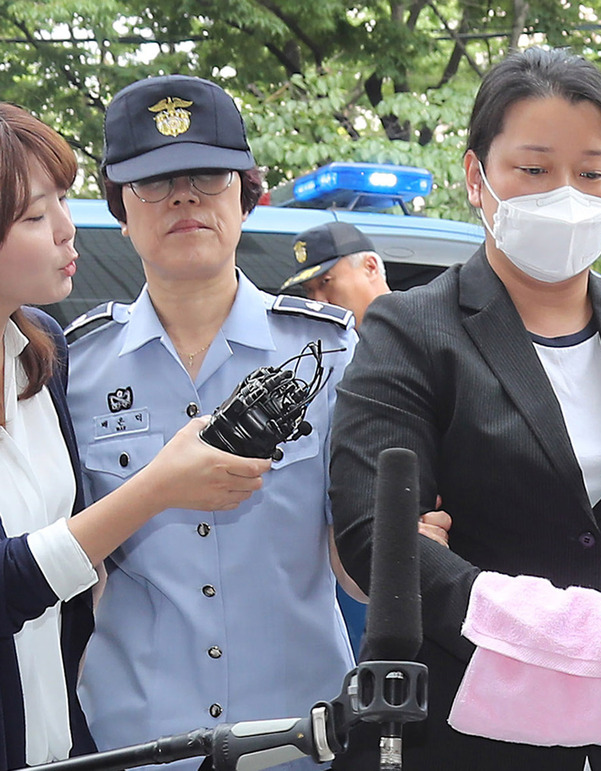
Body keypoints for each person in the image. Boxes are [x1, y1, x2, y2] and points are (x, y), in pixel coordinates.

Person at [329, 47, 601, 771]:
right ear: (477, 178)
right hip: (468, 726)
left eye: (592, 172)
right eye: (533, 169)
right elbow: (379, 534)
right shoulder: (412, 330)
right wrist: (559, 639)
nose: (567, 193)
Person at [63, 75, 364, 771]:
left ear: (246, 195)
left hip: (303, 738)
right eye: (154, 182)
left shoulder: (330, 353)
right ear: (120, 209)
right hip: (129, 742)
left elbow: (359, 568)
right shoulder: (74, 370)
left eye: (207, 175)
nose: (185, 197)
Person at [0, 103, 270, 771]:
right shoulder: (83, 361)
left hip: (66, 740)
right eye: (37, 215)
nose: (67, 229)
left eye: (62, 201)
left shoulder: (39, 357)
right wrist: (156, 488)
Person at [280, 222, 390, 326]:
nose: (318, 301)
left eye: (325, 282)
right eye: (309, 290)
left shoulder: (404, 328)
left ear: (370, 267)